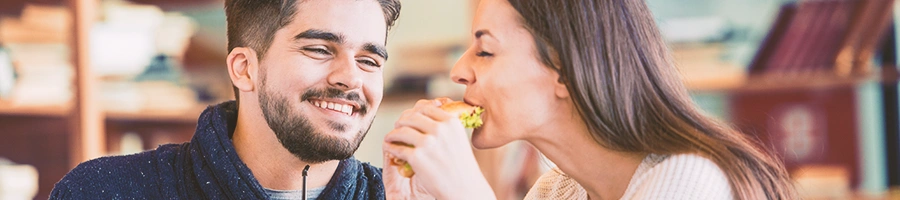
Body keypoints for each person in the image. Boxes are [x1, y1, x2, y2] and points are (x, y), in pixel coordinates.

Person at [382, 0, 796, 199]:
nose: (459, 71)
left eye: (485, 50)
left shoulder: (689, 183)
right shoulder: (554, 193)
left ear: (563, 67)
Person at [51, 0, 400, 199]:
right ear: (244, 68)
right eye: (320, 49)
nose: (351, 77)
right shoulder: (102, 192)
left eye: (369, 61)